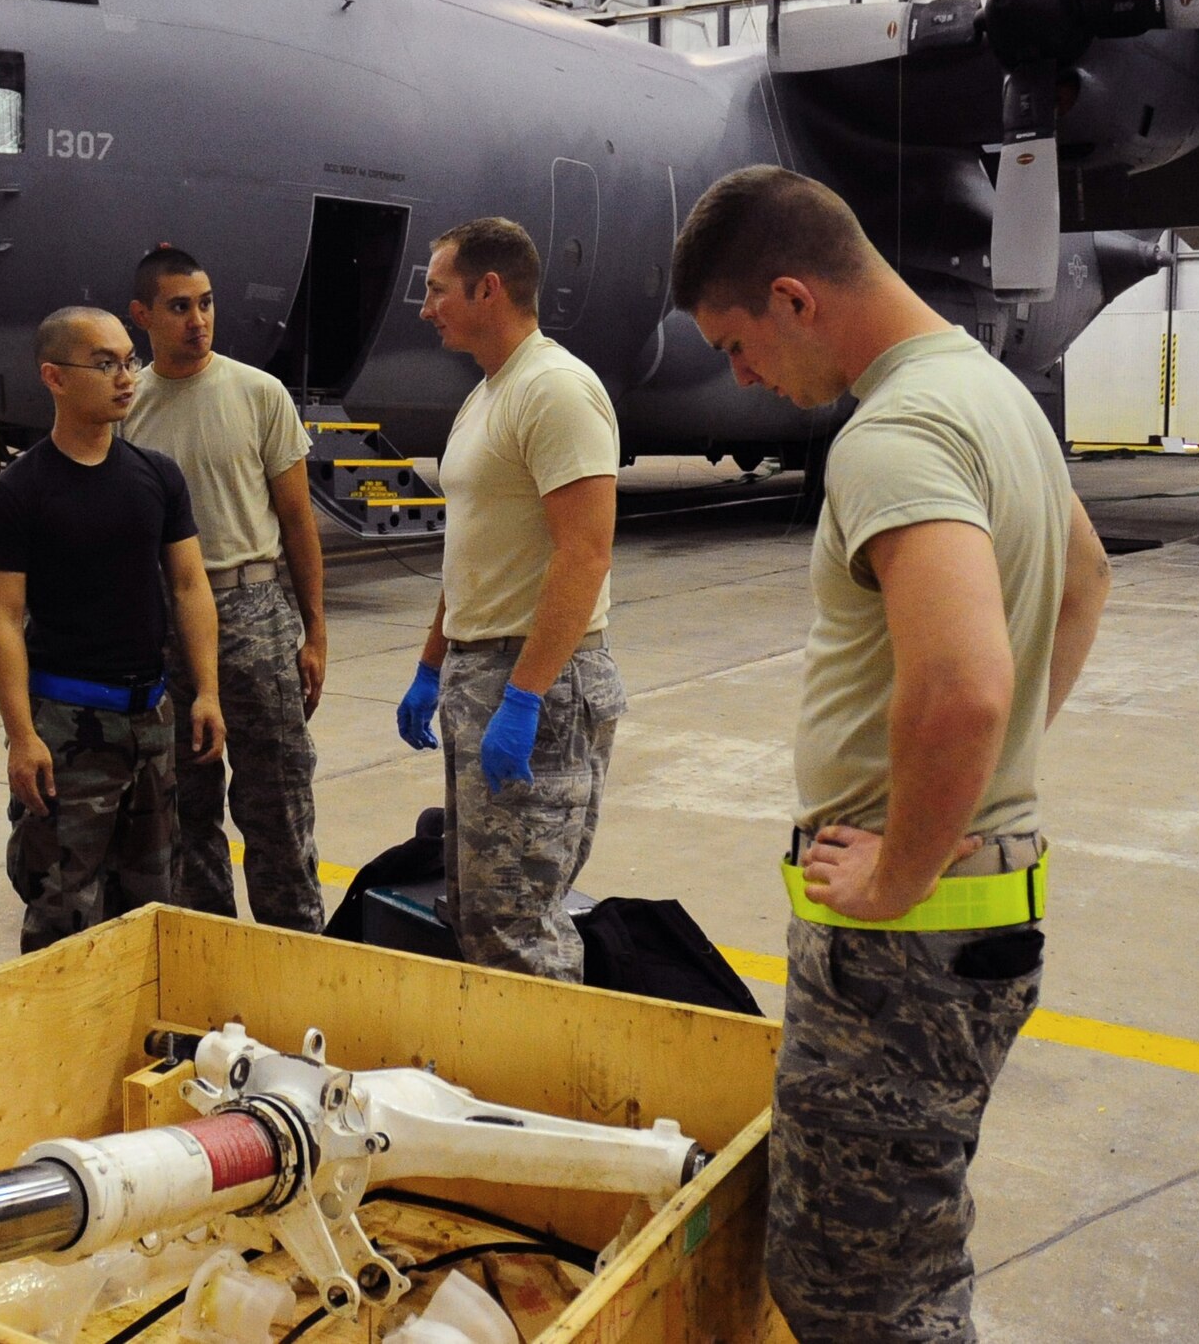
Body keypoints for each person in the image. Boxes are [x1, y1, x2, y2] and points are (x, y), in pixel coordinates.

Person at [669, 165, 1112, 1343]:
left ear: (792, 298)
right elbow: (1082, 580)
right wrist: (985, 769)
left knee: (855, 1292)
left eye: (736, 343)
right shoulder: (992, 392)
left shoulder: (895, 431)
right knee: (903, 1252)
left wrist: (897, 870)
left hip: (906, 943)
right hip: (970, 910)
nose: (743, 375)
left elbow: (962, 687)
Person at [395, 216, 626, 982]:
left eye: (436, 288)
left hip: (537, 682)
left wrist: (524, 698)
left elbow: (585, 551)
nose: (426, 306)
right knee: (477, 908)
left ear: (487, 288)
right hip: (479, 672)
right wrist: (432, 665)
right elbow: (472, 546)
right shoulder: (490, 393)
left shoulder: (554, 390)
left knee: (518, 923)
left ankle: (549, 1094)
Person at [0, 306, 225, 953]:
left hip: (151, 720)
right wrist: (21, 736)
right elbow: (1, 619)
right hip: (68, 729)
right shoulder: (18, 494)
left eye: (128, 361)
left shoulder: (158, 477)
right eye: (106, 363)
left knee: (151, 906)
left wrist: (207, 693)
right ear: (54, 377)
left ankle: (144, 1049)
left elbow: (191, 586)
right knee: (62, 907)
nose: (125, 377)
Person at [122, 246, 327, 931]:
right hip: (165, 616)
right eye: (180, 307)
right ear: (143, 314)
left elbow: (298, 522)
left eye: (206, 303)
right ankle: (209, 955)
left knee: (277, 803)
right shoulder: (129, 409)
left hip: (255, 609)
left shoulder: (257, 394)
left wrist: (315, 632)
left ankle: (295, 954)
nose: (198, 320)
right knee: (183, 807)